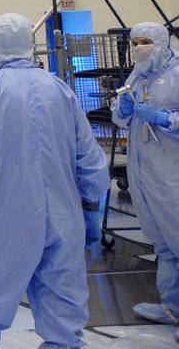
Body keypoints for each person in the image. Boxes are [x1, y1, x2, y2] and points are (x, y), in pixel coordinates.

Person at [0, 12, 109, 349]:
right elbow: (90, 158)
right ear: (30, 45)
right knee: (64, 308)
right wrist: (92, 209)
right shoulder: (59, 89)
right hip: (65, 218)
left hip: (7, 219)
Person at [112, 22, 179, 334]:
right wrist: (123, 109)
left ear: (162, 42)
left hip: (172, 176)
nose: (139, 46)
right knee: (163, 245)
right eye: (135, 41)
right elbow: (119, 116)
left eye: (145, 41)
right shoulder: (138, 74)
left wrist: (165, 119)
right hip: (143, 175)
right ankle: (172, 306)